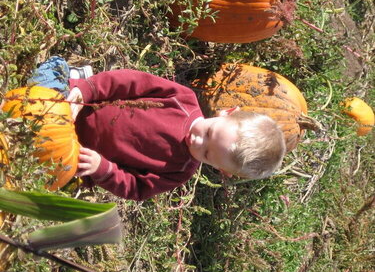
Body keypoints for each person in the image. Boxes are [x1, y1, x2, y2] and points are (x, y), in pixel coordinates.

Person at [27, 57, 286, 201]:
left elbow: (136, 188)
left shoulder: (177, 172)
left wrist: (102, 169)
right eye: (208, 133)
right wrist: (86, 91)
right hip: (76, 105)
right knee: (50, 78)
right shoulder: (181, 99)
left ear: (220, 170)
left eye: (206, 153)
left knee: (42, 180)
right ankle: (79, 77)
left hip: (75, 151)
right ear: (226, 112)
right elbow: (127, 83)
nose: (197, 141)